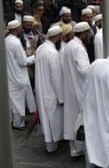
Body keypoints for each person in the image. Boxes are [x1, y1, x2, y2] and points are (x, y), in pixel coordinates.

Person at [35, 25, 64, 154]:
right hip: (51, 90)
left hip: (42, 88)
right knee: (52, 118)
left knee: (46, 118)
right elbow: (56, 77)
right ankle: (52, 146)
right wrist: (61, 97)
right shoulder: (52, 53)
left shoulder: (41, 48)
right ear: (57, 36)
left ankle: (50, 145)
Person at [63, 21, 91, 158]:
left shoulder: (69, 45)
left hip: (70, 86)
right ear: (85, 33)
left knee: (72, 117)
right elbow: (84, 69)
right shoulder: (78, 48)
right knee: (80, 119)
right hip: (79, 87)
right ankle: (80, 149)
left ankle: (74, 149)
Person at [5, 20, 36, 131]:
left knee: (13, 101)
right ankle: (19, 124)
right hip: (18, 75)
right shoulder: (16, 43)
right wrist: (34, 57)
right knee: (18, 101)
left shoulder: (6, 40)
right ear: (17, 29)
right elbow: (23, 62)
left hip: (10, 75)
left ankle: (14, 121)